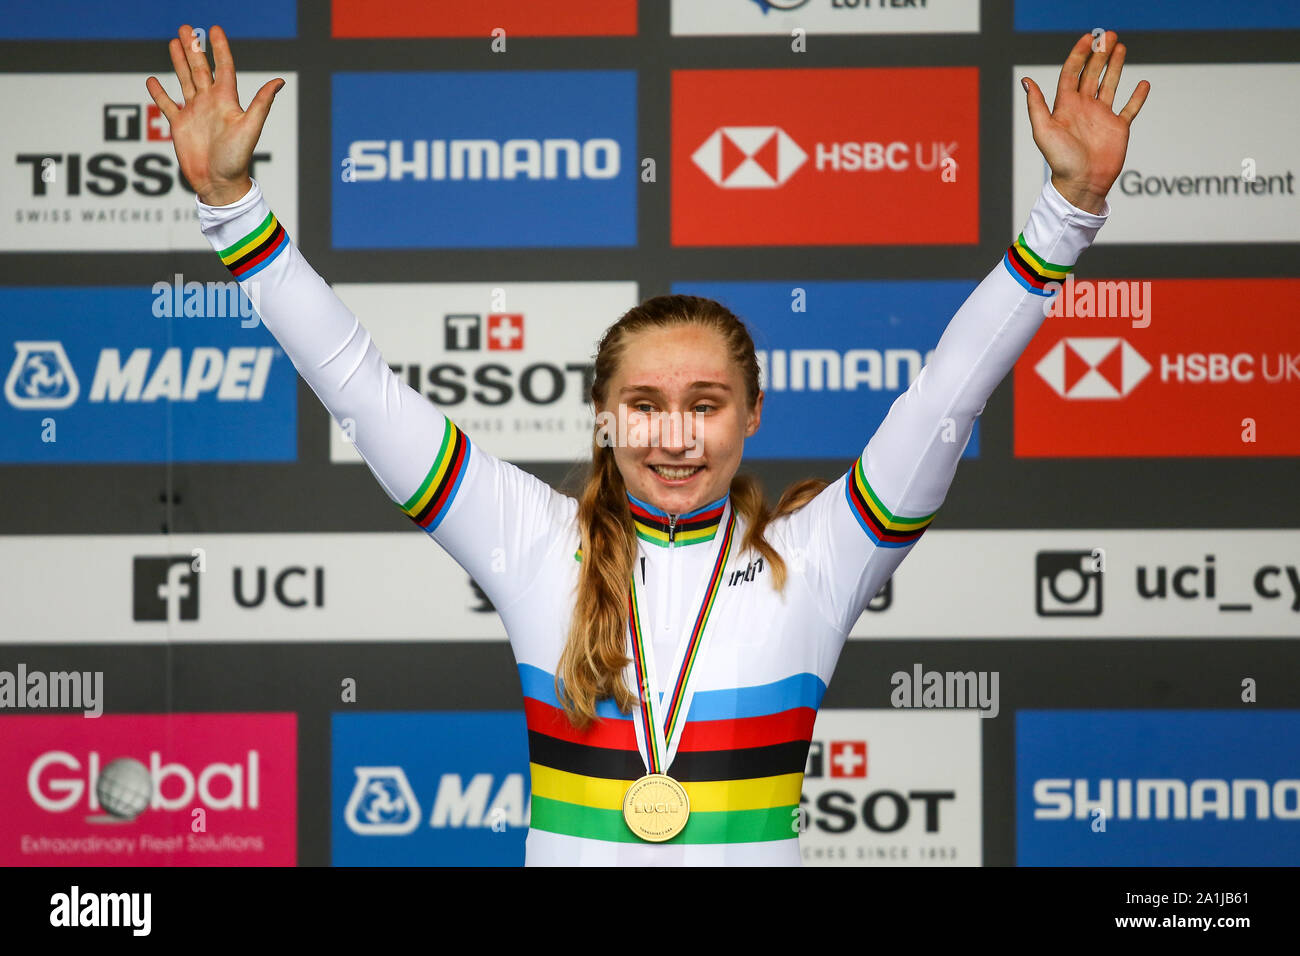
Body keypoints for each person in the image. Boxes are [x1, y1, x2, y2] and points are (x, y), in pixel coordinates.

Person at [148, 24, 1148, 865]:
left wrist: (1068, 214)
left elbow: (949, 390)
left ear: (752, 415)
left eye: (705, 402)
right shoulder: (532, 542)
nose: (674, 434)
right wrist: (233, 209)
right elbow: (358, 385)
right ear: (602, 417)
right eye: (644, 403)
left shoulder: (824, 551)